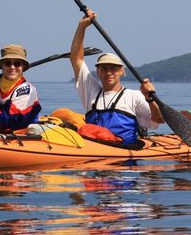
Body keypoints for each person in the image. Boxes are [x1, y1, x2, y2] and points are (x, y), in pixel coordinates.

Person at [69, 9, 163, 149]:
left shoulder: (134, 96)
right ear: (98, 71)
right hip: (93, 148)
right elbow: (76, 58)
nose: (109, 72)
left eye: (113, 68)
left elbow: (159, 119)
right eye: (104, 68)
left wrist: (151, 99)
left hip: (124, 153)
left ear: (121, 71)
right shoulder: (90, 90)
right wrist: (82, 26)